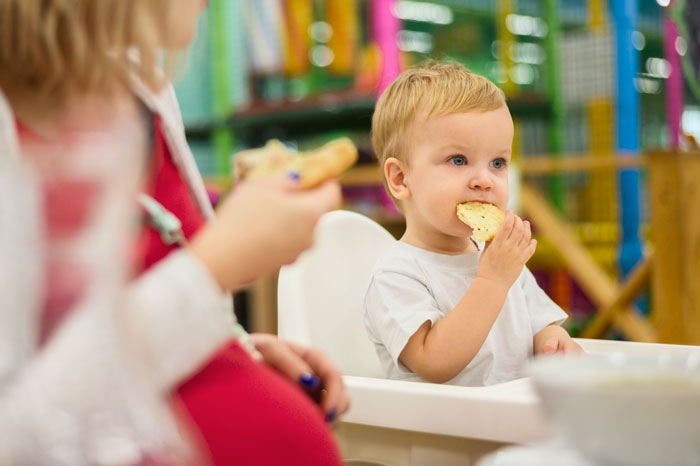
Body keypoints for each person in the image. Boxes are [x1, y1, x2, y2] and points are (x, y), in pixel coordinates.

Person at [0, 0, 348, 464]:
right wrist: (215, 267)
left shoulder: (143, 92)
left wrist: (231, 348)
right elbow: (17, 432)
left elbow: (128, 312)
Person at [364, 61, 582, 387]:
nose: (484, 180)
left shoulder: (498, 258)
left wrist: (554, 342)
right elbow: (434, 362)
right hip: (441, 433)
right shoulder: (397, 276)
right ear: (400, 178)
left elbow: (538, 326)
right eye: (458, 160)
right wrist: (492, 280)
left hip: (511, 420)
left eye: (498, 163)